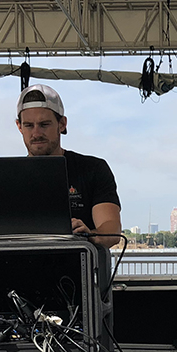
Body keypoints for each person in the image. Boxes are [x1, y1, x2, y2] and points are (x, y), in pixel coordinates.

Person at [16, 84, 122, 248]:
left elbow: (111, 231)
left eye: (44, 124)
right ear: (19, 127)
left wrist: (88, 235)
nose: (36, 133)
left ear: (62, 124)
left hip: (78, 270)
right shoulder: (9, 177)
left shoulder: (92, 168)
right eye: (29, 125)